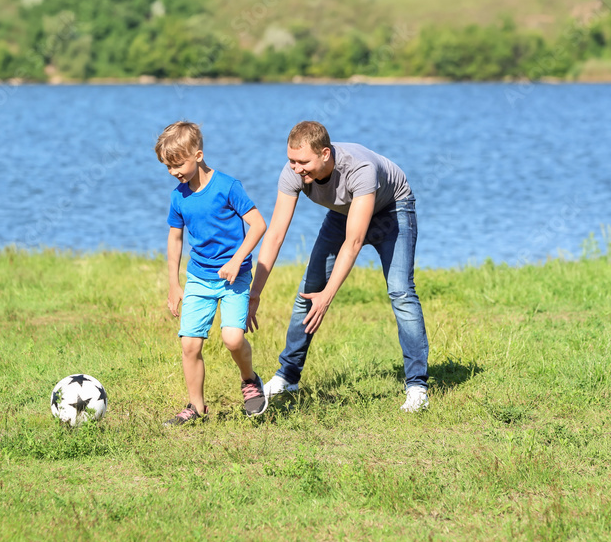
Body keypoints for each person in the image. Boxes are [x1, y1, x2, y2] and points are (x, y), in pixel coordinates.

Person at [247, 120, 430, 412]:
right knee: (308, 291)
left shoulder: (360, 169)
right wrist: (254, 293)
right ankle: (288, 376)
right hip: (344, 211)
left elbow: (354, 242)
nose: (296, 168)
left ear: (325, 154)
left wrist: (328, 296)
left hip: (392, 210)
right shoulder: (293, 172)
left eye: (303, 161)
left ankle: (417, 386)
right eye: (291, 161)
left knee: (401, 293)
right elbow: (276, 235)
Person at [156, 121, 269, 425]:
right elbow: (175, 238)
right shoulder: (178, 197)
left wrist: (236, 260)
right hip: (198, 280)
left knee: (233, 339)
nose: (173, 172)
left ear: (199, 154)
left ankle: (249, 380)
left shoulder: (228, 187)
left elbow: (258, 225)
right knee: (189, 344)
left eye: (177, 164)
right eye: (167, 167)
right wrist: (174, 284)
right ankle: (196, 407)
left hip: (234, 279)